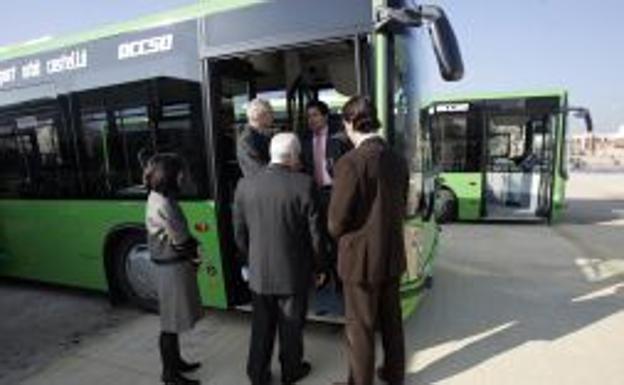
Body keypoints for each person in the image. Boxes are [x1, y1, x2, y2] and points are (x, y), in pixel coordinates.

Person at [233, 133, 326, 385]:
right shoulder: (305, 184)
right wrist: (320, 267)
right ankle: (291, 371)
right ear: (294, 156)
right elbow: (316, 235)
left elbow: (239, 234)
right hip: (294, 273)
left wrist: (249, 262)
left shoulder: (245, 184)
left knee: (261, 326)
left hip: (259, 272)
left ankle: (257, 374)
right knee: (292, 326)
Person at [328, 96, 409, 385]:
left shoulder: (349, 163)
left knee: (360, 328)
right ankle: (394, 374)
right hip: (392, 254)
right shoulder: (398, 159)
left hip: (360, 260)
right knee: (392, 322)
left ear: (350, 123)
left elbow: (336, 222)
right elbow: (402, 206)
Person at [144, 153, 203, 385]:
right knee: (170, 324)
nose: (182, 176)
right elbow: (180, 241)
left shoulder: (158, 196)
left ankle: (176, 362)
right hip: (172, 269)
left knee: (172, 320)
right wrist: (196, 253)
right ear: (169, 175)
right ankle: (170, 374)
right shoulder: (165, 204)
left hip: (169, 267)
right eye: (179, 172)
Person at [299, 100, 352, 289]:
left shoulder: (340, 138)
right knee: (317, 238)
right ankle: (323, 276)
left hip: (334, 194)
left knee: (337, 237)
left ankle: (340, 281)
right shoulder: (304, 139)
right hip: (313, 194)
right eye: (308, 116)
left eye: (315, 115)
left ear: (325, 116)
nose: (311, 120)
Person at [237, 98, 275, 177]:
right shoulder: (246, 140)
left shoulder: (264, 134)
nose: (273, 116)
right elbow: (257, 169)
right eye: (270, 112)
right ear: (258, 115)